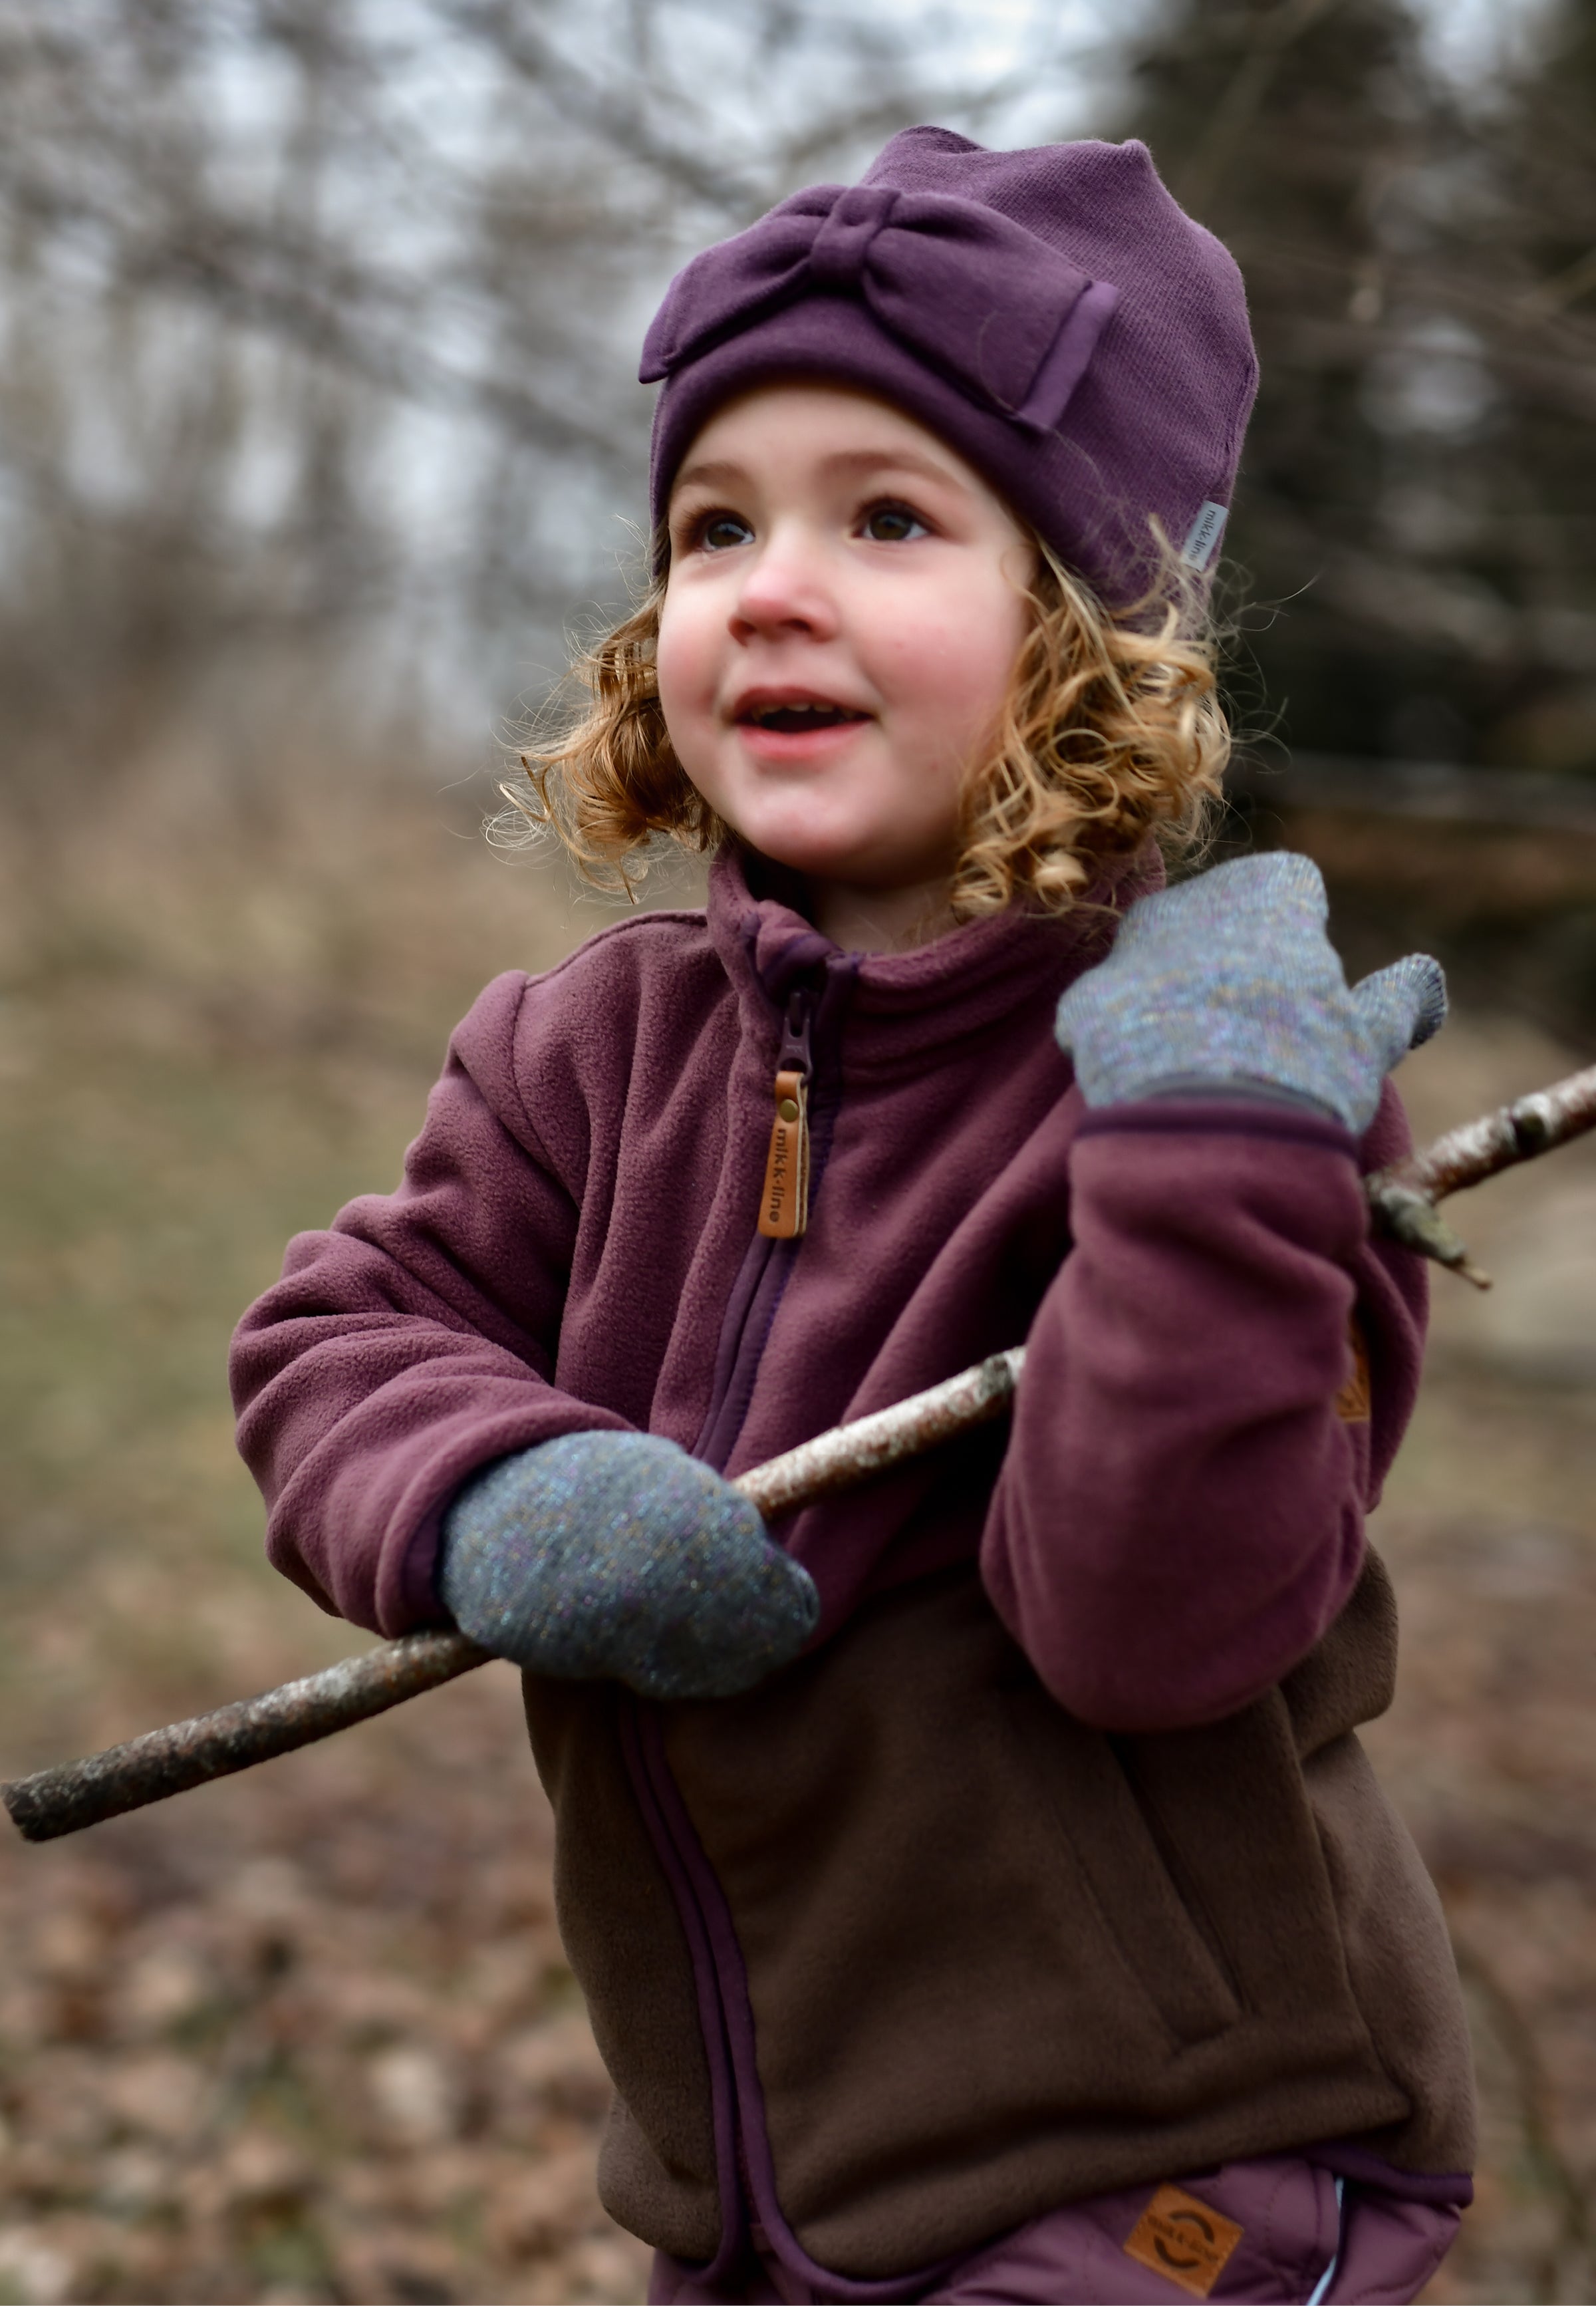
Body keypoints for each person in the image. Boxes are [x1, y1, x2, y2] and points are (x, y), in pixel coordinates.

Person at [231, 128, 1476, 2305]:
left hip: (1163, 2176)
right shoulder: (586, 1053)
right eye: (718, 526)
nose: (770, 586)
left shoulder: (1234, 1074)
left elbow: (1154, 1619)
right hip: (751, 2179)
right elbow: (340, 1329)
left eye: (887, 517)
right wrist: (495, 1486)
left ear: (1096, 628)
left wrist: (1208, 1164)